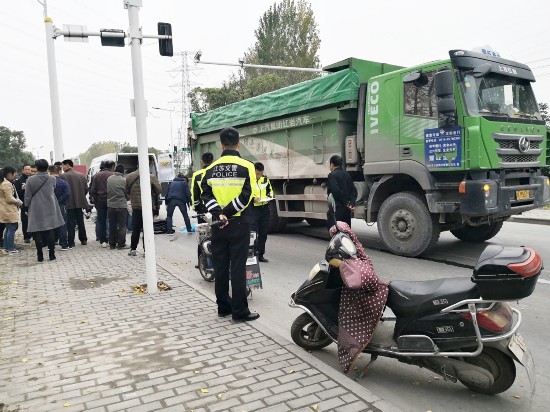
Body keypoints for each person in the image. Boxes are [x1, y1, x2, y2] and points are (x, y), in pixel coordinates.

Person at [201, 127, 260, 322]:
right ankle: (240, 311)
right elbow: (248, 194)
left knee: (220, 266)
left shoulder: (210, 169)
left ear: (221, 145)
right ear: (238, 144)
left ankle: (223, 307)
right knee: (237, 267)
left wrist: (219, 214)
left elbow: (205, 195)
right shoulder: (247, 166)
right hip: (238, 222)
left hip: (218, 224)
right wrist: (228, 213)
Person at [25, 159, 65, 262]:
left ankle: (40, 255)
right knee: (50, 229)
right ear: (47, 167)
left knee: (37, 231)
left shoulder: (30, 180)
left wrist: (26, 206)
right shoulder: (52, 178)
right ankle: (52, 254)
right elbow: (53, 189)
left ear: (37, 168)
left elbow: (27, 196)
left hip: (35, 207)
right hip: (50, 206)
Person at [125, 164, 162, 256]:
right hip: (148, 207)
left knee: (136, 229)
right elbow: (159, 190)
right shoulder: (151, 177)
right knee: (147, 230)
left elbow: (126, 191)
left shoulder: (130, 177)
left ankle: (133, 249)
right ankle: (147, 251)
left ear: (137, 165)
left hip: (136, 207)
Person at [191, 152, 214, 267]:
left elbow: (194, 193)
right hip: (215, 209)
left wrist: (196, 208)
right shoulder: (215, 172)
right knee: (216, 234)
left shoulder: (197, 175)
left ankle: (202, 262)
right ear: (213, 161)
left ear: (202, 161)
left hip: (202, 209)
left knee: (203, 235)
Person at [59, 159, 89, 247]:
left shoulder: (63, 176)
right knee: (80, 221)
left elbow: (62, 190)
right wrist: (81, 196)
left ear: (67, 165)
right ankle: (83, 239)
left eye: (63, 166)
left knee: (70, 223)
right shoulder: (81, 175)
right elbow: (86, 189)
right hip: (80, 202)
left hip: (69, 203)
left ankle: (71, 241)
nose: (62, 168)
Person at [250, 162, 273, 263]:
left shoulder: (265, 180)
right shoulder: (249, 180)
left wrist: (268, 197)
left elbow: (270, 191)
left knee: (263, 233)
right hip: (253, 209)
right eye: (257, 173)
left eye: (261, 173)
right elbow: (246, 193)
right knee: (253, 233)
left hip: (264, 208)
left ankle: (260, 254)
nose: (259, 175)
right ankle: (252, 253)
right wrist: (253, 199)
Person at [327, 155, 357, 228]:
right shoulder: (347, 175)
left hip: (337, 209)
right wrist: (351, 203)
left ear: (332, 164)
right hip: (346, 211)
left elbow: (336, 191)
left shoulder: (332, 175)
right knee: (346, 230)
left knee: (335, 231)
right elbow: (354, 191)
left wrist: (345, 202)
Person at [90, 160, 115, 247]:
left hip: (100, 201)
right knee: (111, 220)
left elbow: (92, 190)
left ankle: (103, 240)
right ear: (112, 167)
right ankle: (111, 239)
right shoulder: (112, 175)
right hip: (111, 200)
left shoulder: (96, 175)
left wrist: (95, 198)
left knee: (101, 220)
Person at [0, 166, 23, 254]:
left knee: (9, 228)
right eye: (14, 174)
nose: (15, 175)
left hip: (4, 208)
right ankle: (10, 248)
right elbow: (9, 199)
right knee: (11, 228)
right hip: (8, 209)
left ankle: (7, 247)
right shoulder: (6, 184)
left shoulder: (2, 182)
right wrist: (18, 201)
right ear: (10, 174)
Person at [48, 165, 71, 251]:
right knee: (62, 224)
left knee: (50, 225)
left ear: (49, 172)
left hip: (49, 205)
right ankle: (64, 244)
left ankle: (51, 244)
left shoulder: (46, 183)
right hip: (61, 205)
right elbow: (67, 193)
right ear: (60, 172)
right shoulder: (63, 182)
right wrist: (59, 201)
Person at [106, 164, 128, 249]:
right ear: (123, 172)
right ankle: (121, 244)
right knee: (122, 225)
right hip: (121, 206)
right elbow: (127, 194)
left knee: (112, 225)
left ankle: (112, 244)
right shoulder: (124, 180)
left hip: (111, 206)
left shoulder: (109, 179)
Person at [13, 164, 32, 243]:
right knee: (25, 220)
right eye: (26, 169)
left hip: (33, 202)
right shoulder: (18, 181)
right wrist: (24, 189)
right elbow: (17, 193)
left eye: (29, 169)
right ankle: (26, 236)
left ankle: (35, 235)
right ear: (23, 170)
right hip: (23, 202)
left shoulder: (33, 179)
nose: (28, 171)